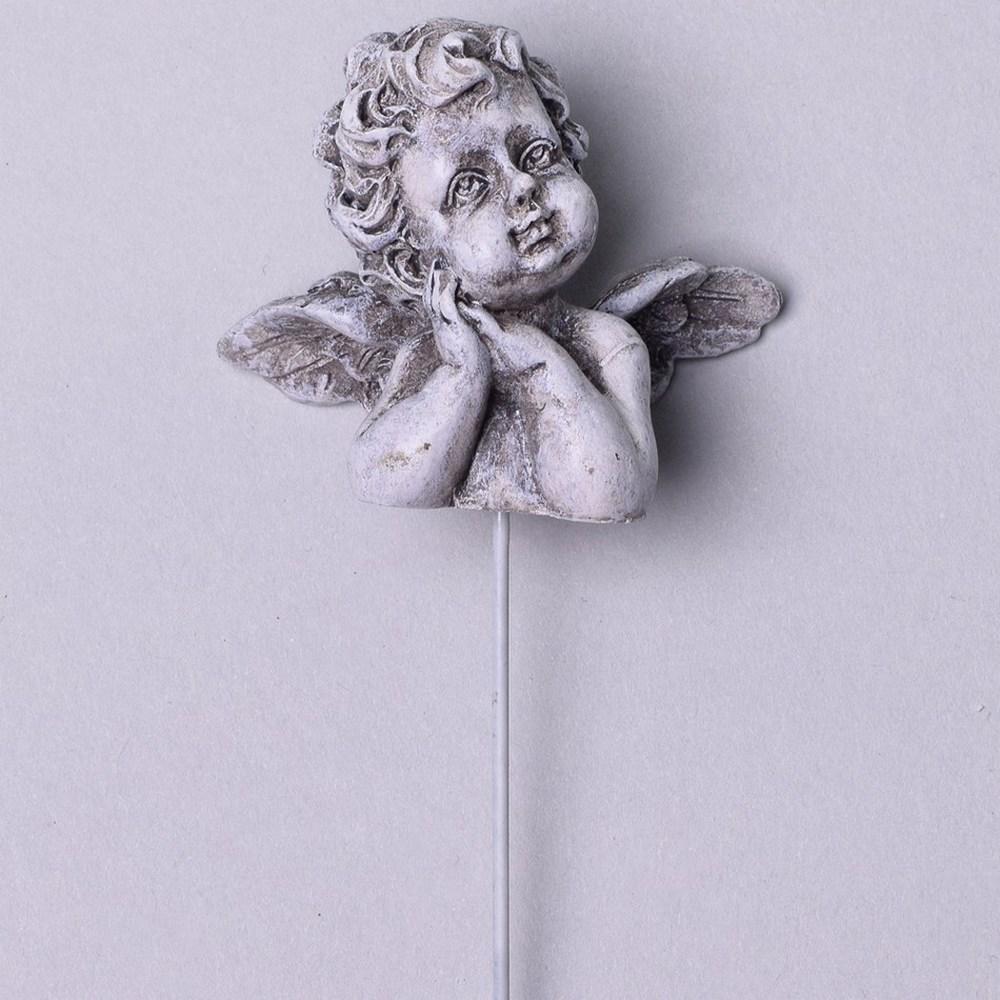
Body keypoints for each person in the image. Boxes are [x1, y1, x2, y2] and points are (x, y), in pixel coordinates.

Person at [314, 18, 658, 522]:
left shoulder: (606, 346)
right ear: (414, 264)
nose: (523, 186)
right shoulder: (427, 361)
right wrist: (464, 375)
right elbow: (381, 475)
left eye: (537, 154)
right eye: (470, 186)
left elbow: (612, 491)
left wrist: (541, 363)